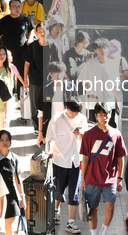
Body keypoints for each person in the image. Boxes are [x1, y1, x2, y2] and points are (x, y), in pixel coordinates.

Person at [80, 102, 127, 235]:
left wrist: (119, 177)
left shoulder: (116, 134)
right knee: (93, 209)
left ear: (110, 115)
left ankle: (104, 231)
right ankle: (94, 233)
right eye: (100, 115)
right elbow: (85, 158)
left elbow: (120, 157)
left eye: (105, 114)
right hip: (92, 178)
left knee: (110, 207)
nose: (103, 117)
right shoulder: (89, 134)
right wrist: (83, 179)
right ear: (96, 116)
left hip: (110, 178)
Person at [45, 98, 88, 234]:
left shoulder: (82, 119)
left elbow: (86, 138)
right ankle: (56, 211)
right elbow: (50, 137)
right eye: (71, 112)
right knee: (59, 189)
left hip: (76, 160)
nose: (74, 115)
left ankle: (71, 222)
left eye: (76, 112)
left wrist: (81, 134)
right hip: (60, 159)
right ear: (66, 107)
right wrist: (50, 150)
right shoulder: (57, 119)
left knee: (74, 193)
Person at [0, 131, 25, 235]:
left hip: (11, 196)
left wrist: (23, 198)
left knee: (9, 226)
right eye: (2, 140)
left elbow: (18, 180)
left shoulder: (14, 158)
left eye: (7, 140)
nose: (5, 142)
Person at [0, 0, 34, 81]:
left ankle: (21, 91)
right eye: (14, 7)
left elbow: (32, 29)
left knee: (21, 75)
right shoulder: (4, 21)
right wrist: (0, 50)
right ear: (10, 8)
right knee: (8, 75)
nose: (17, 9)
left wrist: (29, 39)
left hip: (22, 52)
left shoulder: (25, 19)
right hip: (8, 53)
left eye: (19, 7)